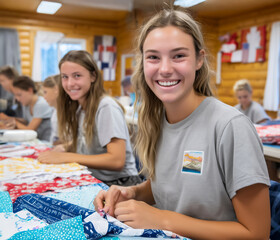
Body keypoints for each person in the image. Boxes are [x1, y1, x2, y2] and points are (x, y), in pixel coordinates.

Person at [94, 9, 270, 240]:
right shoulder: (155, 120)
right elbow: (171, 185)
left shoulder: (230, 126)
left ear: (199, 60)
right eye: (154, 57)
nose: (165, 69)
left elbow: (256, 233)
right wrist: (132, 193)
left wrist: (163, 219)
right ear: (143, 64)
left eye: (178, 56)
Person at [38, 50, 141, 187]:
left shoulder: (106, 107)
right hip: (95, 179)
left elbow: (116, 161)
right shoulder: (80, 108)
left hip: (121, 184)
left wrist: (67, 157)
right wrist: (66, 146)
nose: (69, 84)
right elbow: (91, 141)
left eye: (77, 76)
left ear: (93, 76)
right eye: (65, 77)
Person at [0, 75, 52, 141]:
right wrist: (9, 119)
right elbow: (26, 121)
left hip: (46, 141)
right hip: (36, 140)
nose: (17, 99)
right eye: (15, 95)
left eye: (19, 95)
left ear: (30, 90)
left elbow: (30, 129)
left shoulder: (41, 104)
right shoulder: (26, 104)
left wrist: (14, 122)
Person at [42, 74, 61, 144]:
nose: (44, 97)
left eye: (45, 92)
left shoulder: (67, 113)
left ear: (56, 89)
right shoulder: (55, 111)